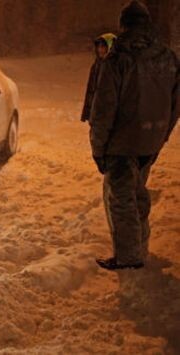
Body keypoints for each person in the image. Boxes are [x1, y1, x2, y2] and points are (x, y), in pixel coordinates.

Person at [89, 0, 179, 270]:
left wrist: (98, 149)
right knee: (137, 193)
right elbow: (175, 104)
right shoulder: (168, 57)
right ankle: (140, 246)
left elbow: (103, 110)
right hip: (149, 142)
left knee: (121, 200)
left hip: (122, 142)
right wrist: (161, 136)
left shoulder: (119, 58)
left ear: (123, 25)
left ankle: (129, 258)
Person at [81, 33, 116, 122]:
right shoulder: (96, 65)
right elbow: (91, 90)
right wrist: (87, 112)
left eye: (103, 47)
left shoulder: (116, 67)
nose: (100, 49)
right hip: (97, 113)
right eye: (99, 47)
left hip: (111, 115)